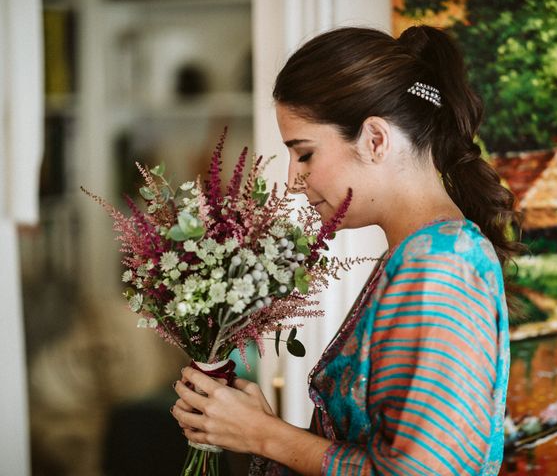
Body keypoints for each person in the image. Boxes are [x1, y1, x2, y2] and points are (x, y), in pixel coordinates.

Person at [171, 25, 521, 475]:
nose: (293, 181)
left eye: (306, 153)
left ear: (375, 139)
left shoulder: (441, 263)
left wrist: (265, 435)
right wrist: (256, 426)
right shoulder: (420, 254)